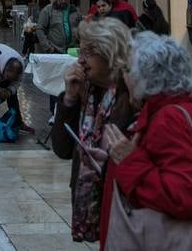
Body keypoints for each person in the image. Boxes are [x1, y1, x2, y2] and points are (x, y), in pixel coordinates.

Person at [102, 32, 192, 251]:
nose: (124, 77)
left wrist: (129, 161)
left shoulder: (169, 118)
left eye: (127, 70)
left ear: (145, 76)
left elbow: (183, 196)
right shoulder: (178, 110)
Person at [51, 18, 133, 244]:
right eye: (80, 51)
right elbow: (62, 149)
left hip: (123, 202)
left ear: (109, 54)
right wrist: (68, 99)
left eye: (87, 53)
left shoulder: (133, 96)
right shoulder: (86, 93)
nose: (80, 60)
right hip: (92, 201)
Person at [36, 0, 82, 122]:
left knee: (72, 79)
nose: (63, 1)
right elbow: (39, 29)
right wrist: (47, 47)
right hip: (55, 50)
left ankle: (70, 110)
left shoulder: (75, 11)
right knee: (56, 80)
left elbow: (80, 28)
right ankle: (54, 112)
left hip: (72, 51)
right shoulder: (48, 11)